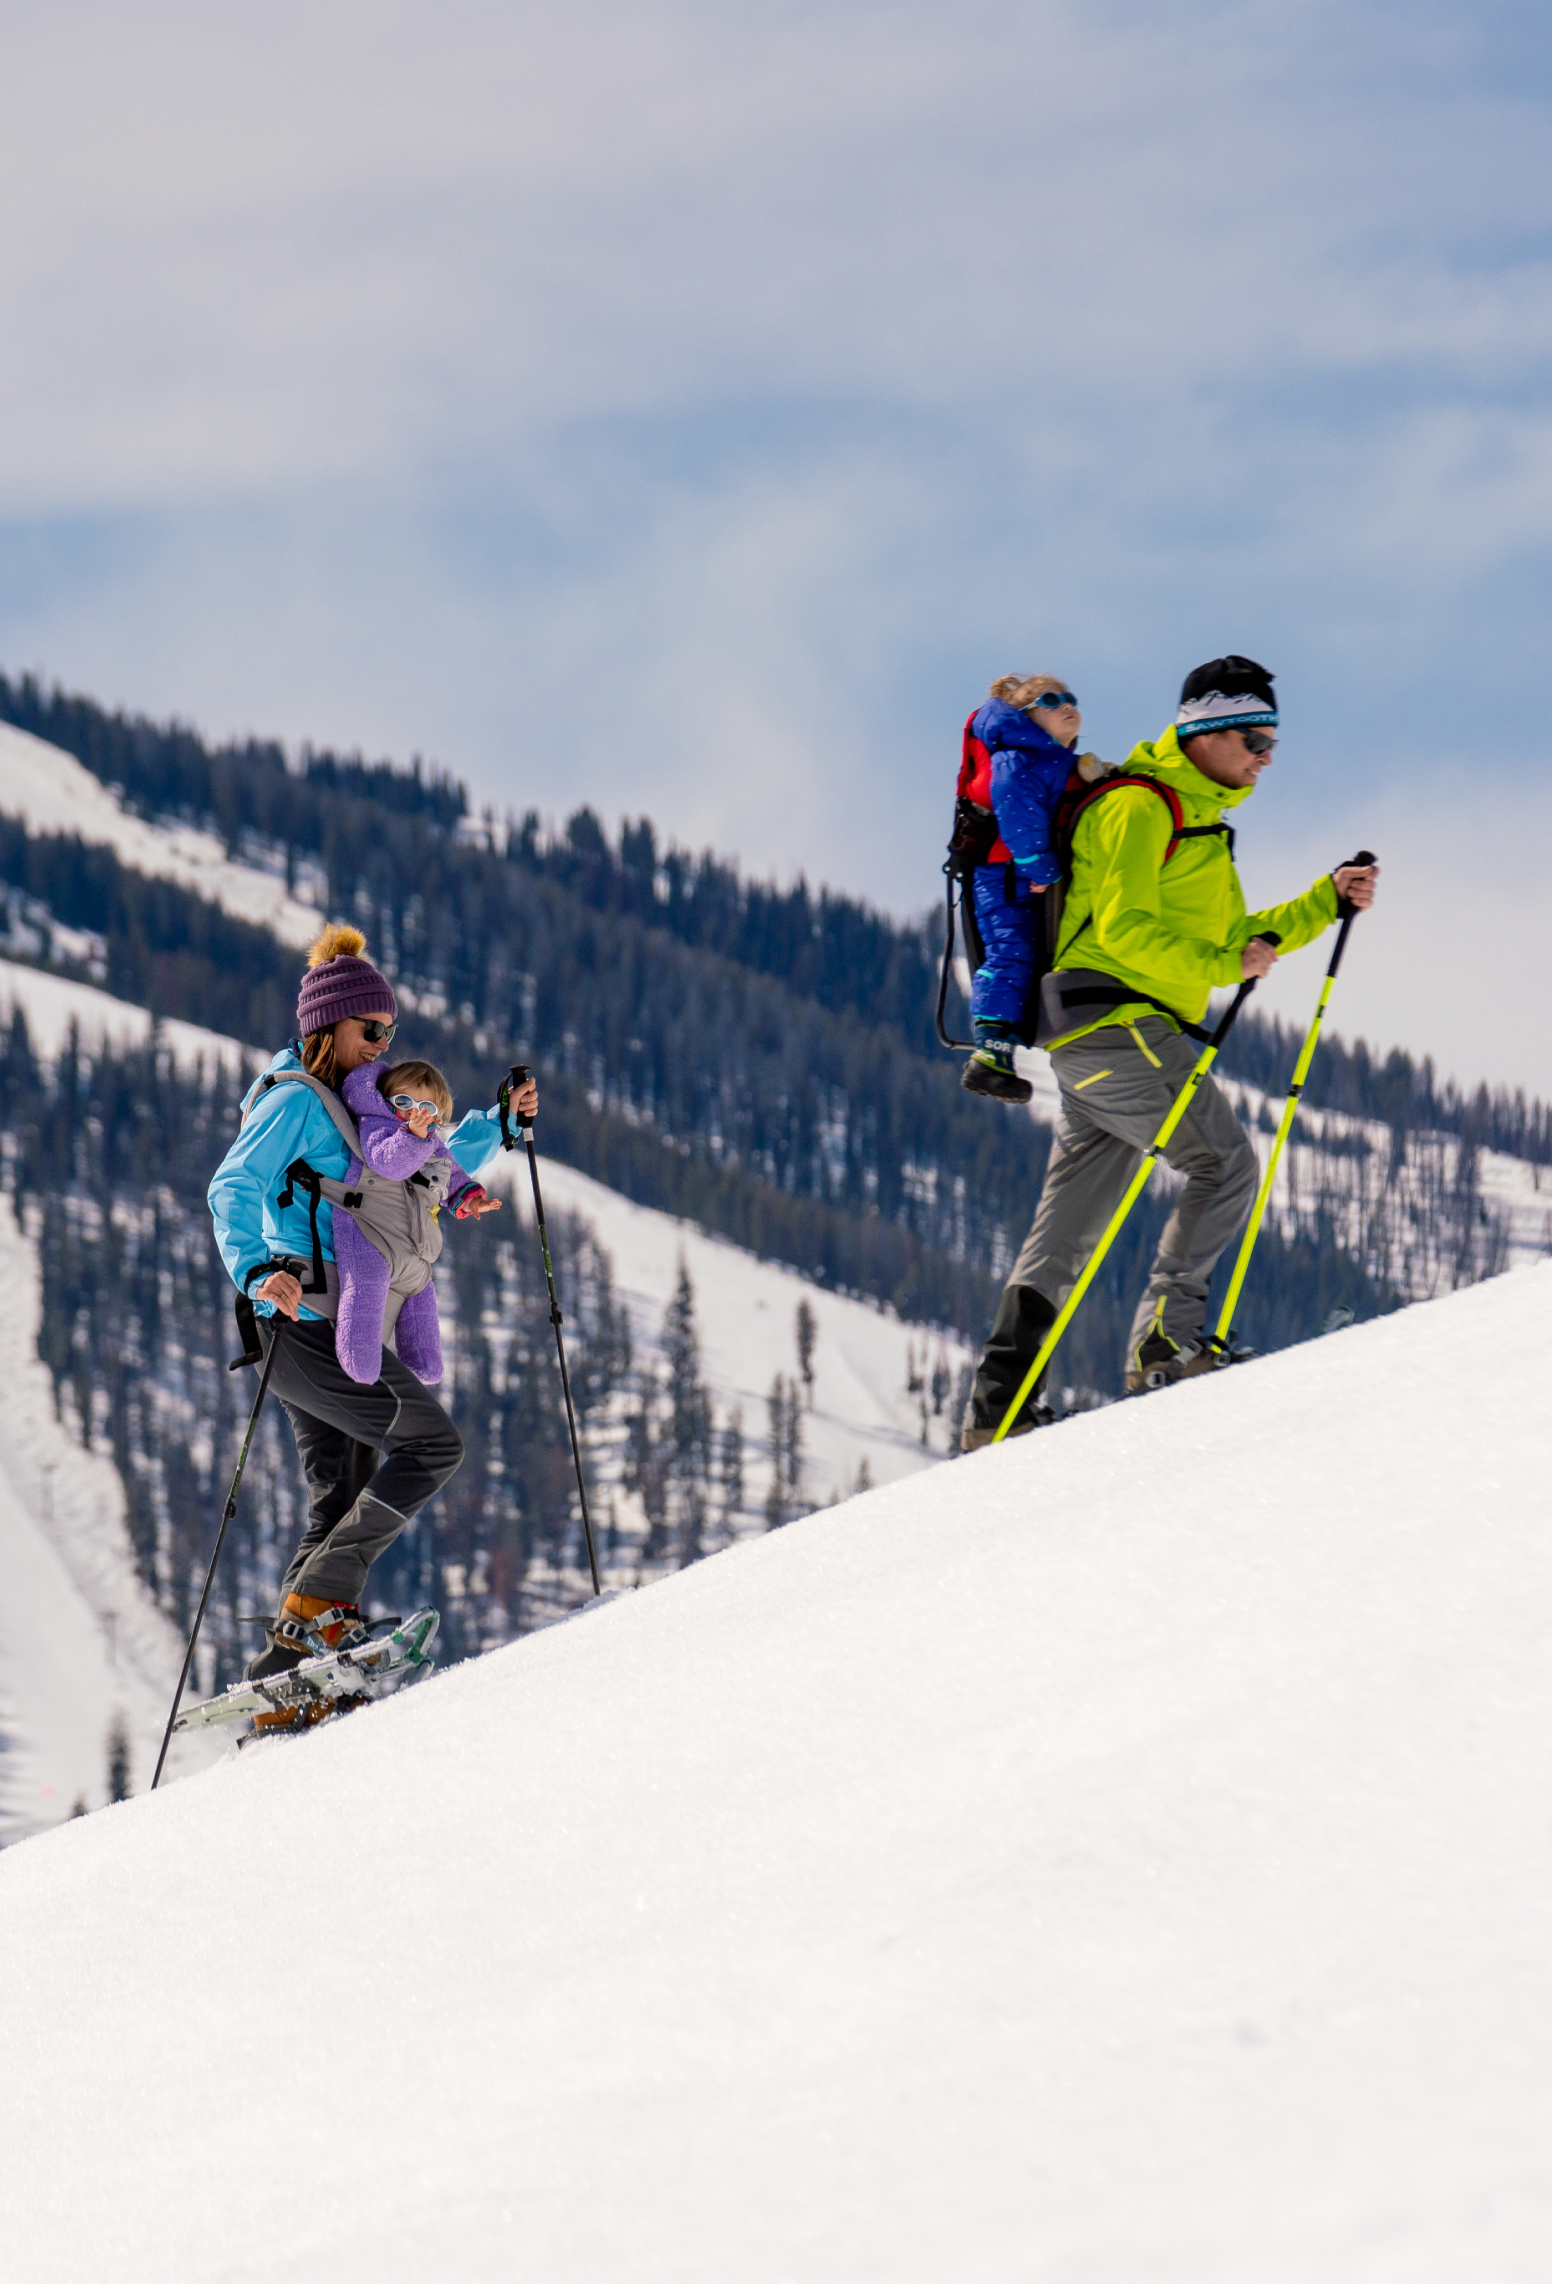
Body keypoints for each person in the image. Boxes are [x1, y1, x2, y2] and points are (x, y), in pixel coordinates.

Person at [960, 654, 1378, 1447]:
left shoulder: (1200, 824)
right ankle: (1167, 1343)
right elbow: (1122, 929)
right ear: (1204, 731)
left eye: (1272, 745)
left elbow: (1230, 940)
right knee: (1225, 1164)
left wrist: (1325, 899)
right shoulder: (1139, 806)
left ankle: (999, 1407)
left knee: (1068, 1228)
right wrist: (1226, 965)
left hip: (1102, 1033)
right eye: (1253, 739)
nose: (1265, 758)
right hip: (1118, 1020)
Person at [207, 922, 536, 1721]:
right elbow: (231, 1186)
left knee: (340, 1492)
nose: (384, 1043)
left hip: (323, 1331)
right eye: (372, 1029)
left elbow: (424, 1157)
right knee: (433, 1445)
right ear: (329, 1027)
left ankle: (287, 1679)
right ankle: (325, 1605)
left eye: (391, 1030)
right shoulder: (295, 1101)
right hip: (300, 1324)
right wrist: (257, 1269)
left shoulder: (359, 1106)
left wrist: (498, 1119)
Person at [960, 674, 1110, 1104]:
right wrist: (1040, 867)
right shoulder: (1018, 757)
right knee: (1011, 952)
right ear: (1026, 716)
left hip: (1022, 877)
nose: (1066, 705)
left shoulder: (1052, 759)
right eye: (1050, 700)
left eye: (1070, 698)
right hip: (1006, 875)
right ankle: (989, 1054)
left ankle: (1003, 1051)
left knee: (1028, 955)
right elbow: (1017, 814)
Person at [333, 1056, 503, 1387]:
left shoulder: (433, 1145)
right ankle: (357, 1361)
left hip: (414, 1250)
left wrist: (471, 1200)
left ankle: (420, 1370)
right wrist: (412, 1136)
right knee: (366, 1287)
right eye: (404, 1102)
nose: (414, 1113)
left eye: (425, 1108)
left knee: (422, 1297)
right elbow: (389, 1163)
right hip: (370, 1238)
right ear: (385, 1100)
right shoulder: (375, 1124)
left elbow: (451, 1177)